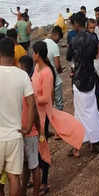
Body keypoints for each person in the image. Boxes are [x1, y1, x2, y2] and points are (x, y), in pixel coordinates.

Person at [32, 41, 85, 195]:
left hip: (42, 117)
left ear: (38, 54)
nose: (32, 54)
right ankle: (36, 177)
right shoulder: (36, 68)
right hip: (35, 114)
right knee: (35, 148)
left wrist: (31, 97)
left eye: (34, 52)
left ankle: (44, 182)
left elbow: (46, 98)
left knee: (42, 147)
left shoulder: (47, 72)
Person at [66, 12, 99, 157]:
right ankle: (93, 143)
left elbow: (69, 57)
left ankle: (77, 146)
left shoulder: (74, 40)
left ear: (76, 24)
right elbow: (96, 56)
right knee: (92, 109)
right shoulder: (93, 38)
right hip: (90, 77)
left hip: (78, 78)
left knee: (80, 113)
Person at [0, 37, 34, 196]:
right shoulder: (22, 75)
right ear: (13, 53)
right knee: (14, 177)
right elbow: (31, 103)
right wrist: (27, 127)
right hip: (16, 134)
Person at [18, 56, 41, 196]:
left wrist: (40, 131)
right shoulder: (24, 84)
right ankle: (23, 191)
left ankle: (35, 192)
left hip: (29, 132)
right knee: (27, 165)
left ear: (24, 68)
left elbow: (35, 112)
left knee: (34, 166)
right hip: (24, 131)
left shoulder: (28, 86)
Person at [44, 26, 64, 111]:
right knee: (59, 105)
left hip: (45, 78)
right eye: (59, 38)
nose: (58, 41)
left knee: (49, 103)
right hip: (55, 80)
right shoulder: (55, 46)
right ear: (56, 35)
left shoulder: (43, 42)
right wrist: (60, 70)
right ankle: (58, 122)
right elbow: (57, 65)